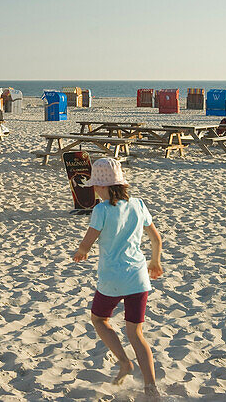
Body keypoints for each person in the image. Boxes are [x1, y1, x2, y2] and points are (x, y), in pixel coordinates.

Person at [71, 157, 162, 395]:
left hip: (112, 279)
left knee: (99, 319)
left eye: (95, 186)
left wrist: (81, 252)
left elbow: (88, 241)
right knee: (136, 333)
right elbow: (156, 238)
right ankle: (151, 387)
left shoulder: (101, 209)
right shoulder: (139, 204)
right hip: (138, 277)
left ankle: (124, 362)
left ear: (102, 187)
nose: (94, 190)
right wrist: (155, 261)